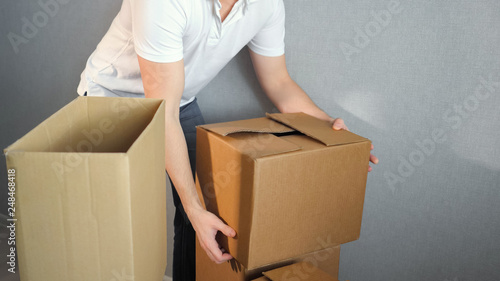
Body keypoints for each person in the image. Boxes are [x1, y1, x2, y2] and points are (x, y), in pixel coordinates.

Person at [77, 0, 378, 280]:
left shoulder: (266, 4)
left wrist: (328, 129)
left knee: (207, 208)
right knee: (120, 222)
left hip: (176, 103)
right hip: (111, 102)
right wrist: (192, 206)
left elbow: (279, 81)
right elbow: (161, 114)